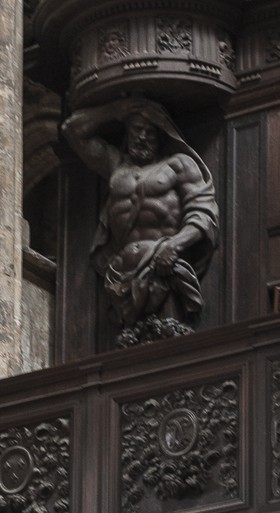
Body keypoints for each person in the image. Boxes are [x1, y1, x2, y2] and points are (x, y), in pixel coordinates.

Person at [62, 96, 218, 344]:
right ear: (128, 131)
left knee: (169, 339)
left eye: (150, 131)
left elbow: (203, 213)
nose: (143, 137)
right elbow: (72, 130)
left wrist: (174, 245)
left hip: (163, 265)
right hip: (122, 269)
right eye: (137, 129)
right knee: (130, 345)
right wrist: (113, 109)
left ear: (161, 134)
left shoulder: (178, 165)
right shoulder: (115, 167)